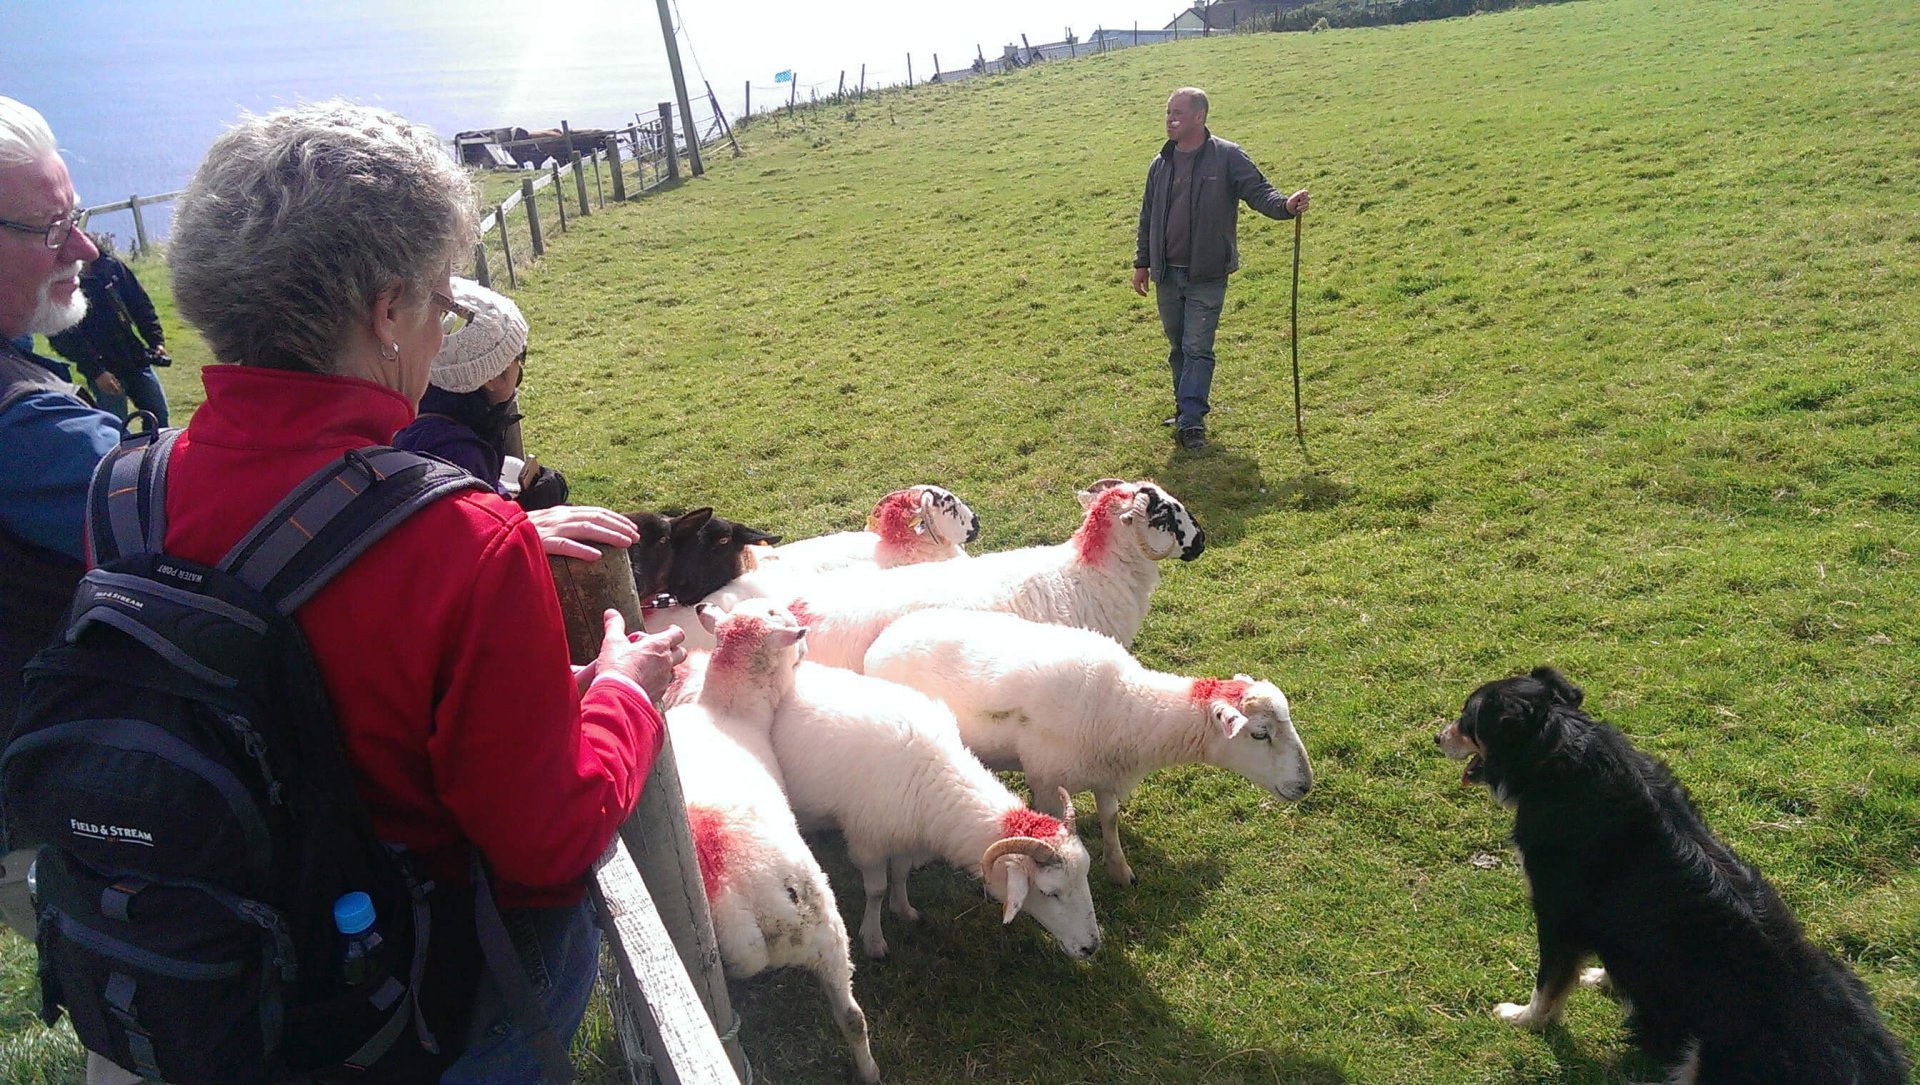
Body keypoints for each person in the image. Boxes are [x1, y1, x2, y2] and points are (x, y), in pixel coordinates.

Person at [149, 99, 686, 1083]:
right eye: (442, 298)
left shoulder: (131, 487)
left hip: (199, 969)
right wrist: (624, 690)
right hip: (398, 1006)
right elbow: (546, 843)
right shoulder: (463, 545)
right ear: (386, 312)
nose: (447, 324)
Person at [0, 96, 122, 945]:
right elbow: (208, 516)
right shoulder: (24, 430)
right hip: (62, 805)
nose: (82, 246)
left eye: (74, 217)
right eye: (52, 228)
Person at [1132, 86, 1309, 451]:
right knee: (1178, 346)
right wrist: (1142, 263)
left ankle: (1192, 421)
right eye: (1168, 112)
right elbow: (1148, 216)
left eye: (1178, 112)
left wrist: (1286, 207)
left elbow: (1260, 192)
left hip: (1207, 273)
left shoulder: (1227, 157)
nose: (1170, 118)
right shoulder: (1160, 163)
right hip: (1167, 273)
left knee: (1197, 346)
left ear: (1200, 116)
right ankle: (1185, 409)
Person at [395, 277, 571, 511]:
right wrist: (527, 508)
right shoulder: (462, 454)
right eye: (519, 357)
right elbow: (476, 535)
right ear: (493, 377)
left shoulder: (421, 417)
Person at [47, 231, 172, 425]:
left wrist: (156, 341)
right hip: (104, 369)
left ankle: (155, 454)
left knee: (159, 416)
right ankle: (124, 456)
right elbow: (63, 336)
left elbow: (139, 303)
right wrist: (96, 371)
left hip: (135, 357)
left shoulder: (109, 267)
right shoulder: (60, 285)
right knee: (115, 428)